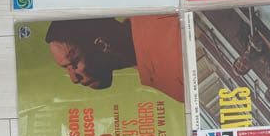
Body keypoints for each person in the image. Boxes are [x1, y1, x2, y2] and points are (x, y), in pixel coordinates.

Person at [45, 15, 184, 102]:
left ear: (102, 44)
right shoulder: (151, 19)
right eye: (66, 68)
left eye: (74, 64)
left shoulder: (174, 54)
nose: (74, 79)